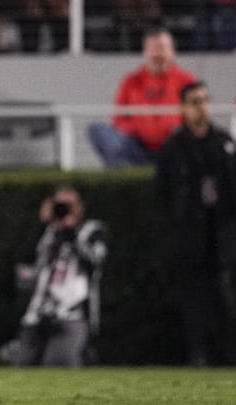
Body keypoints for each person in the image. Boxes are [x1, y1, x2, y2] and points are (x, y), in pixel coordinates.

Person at [155, 81, 236, 366]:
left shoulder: (224, 143)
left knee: (226, 297)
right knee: (193, 300)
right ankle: (198, 354)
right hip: (190, 237)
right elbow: (163, 194)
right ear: (183, 108)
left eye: (204, 100)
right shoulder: (173, 148)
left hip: (223, 235)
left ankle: (228, 354)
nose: (202, 107)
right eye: (195, 101)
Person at [14, 186, 107, 367]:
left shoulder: (91, 230)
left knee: (60, 365)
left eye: (68, 205)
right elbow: (23, 263)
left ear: (80, 207)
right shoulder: (47, 232)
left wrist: (71, 232)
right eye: (59, 205)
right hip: (37, 312)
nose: (63, 210)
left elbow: (95, 262)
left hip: (73, 313)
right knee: (23, 367)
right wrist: (41, 224)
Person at [88, 27, 197, 168]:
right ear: (145, 52)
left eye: (162, 48)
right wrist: (136, 130)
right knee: (97, 130)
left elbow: (197, 117)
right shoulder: (131, 80)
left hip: (174, 147)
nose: (158, 54)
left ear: (173, 51)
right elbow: (119, 119)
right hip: (137, 147)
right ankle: (127, 175)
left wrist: (177, 130)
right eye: (154, 49)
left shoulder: (187, 81)